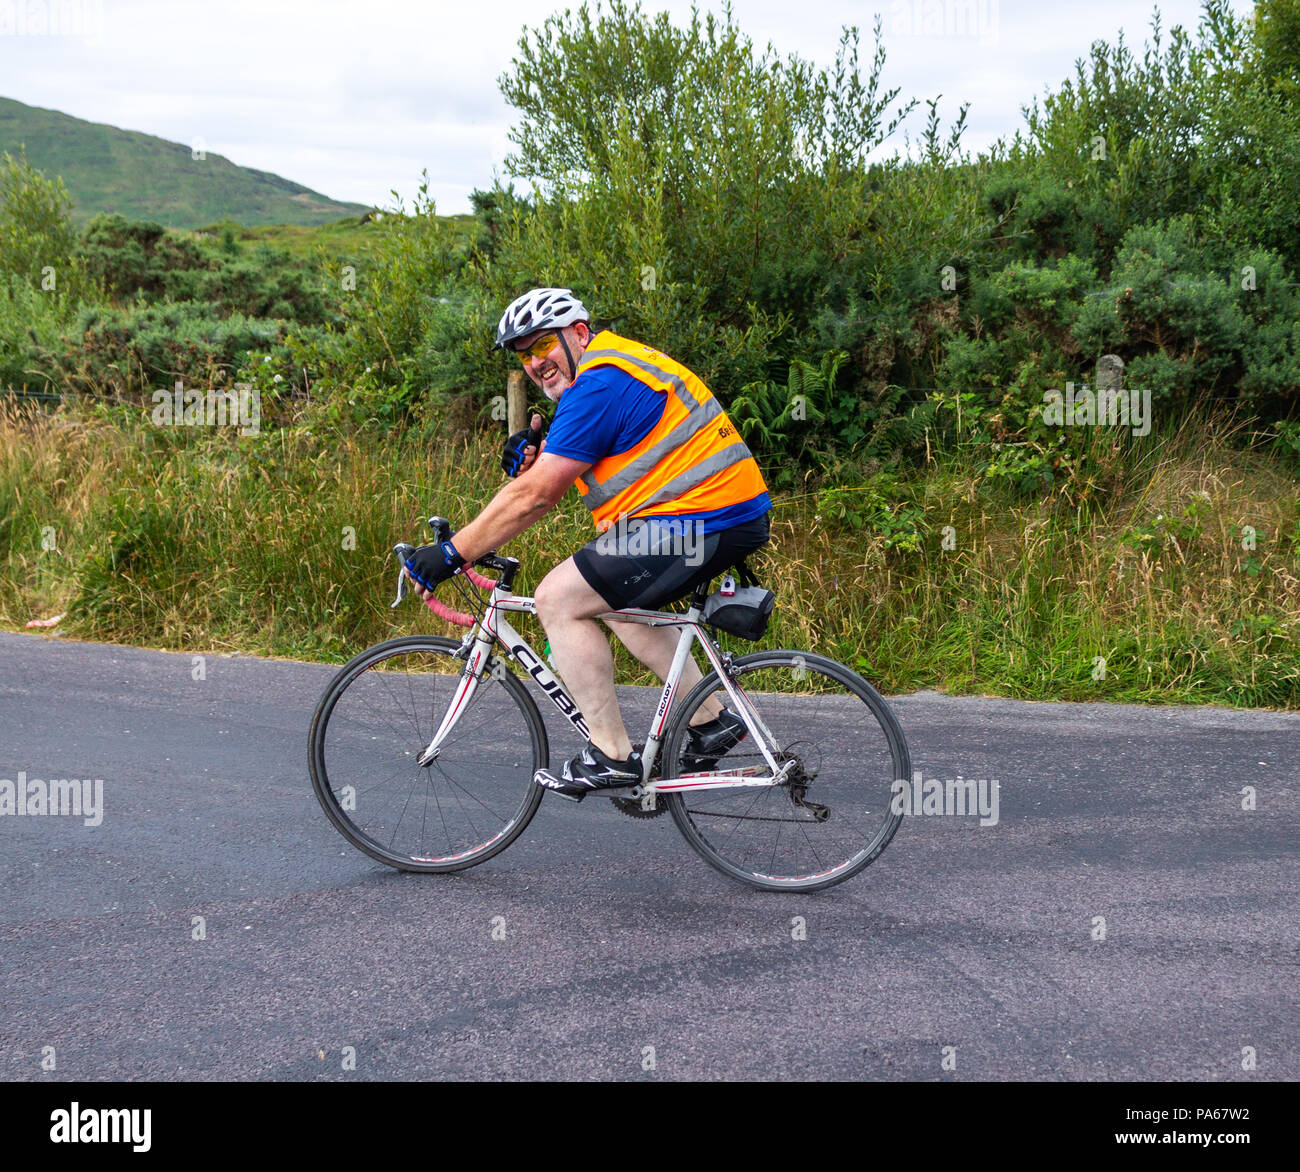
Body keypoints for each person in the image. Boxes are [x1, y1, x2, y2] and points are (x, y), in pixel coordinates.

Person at [404, 287, 772, 800]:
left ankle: (612, 756)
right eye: (524, 354)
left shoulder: (599, 384)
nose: (535, 362)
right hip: (716, 514)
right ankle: (712, 723)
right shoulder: (607, 368)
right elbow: (588, 459)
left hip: (702, 517)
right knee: (615, 603)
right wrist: (540, 452)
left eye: (542, 346)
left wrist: (451, 554)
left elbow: (535, 497)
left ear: (578, 333)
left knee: (559, 598)